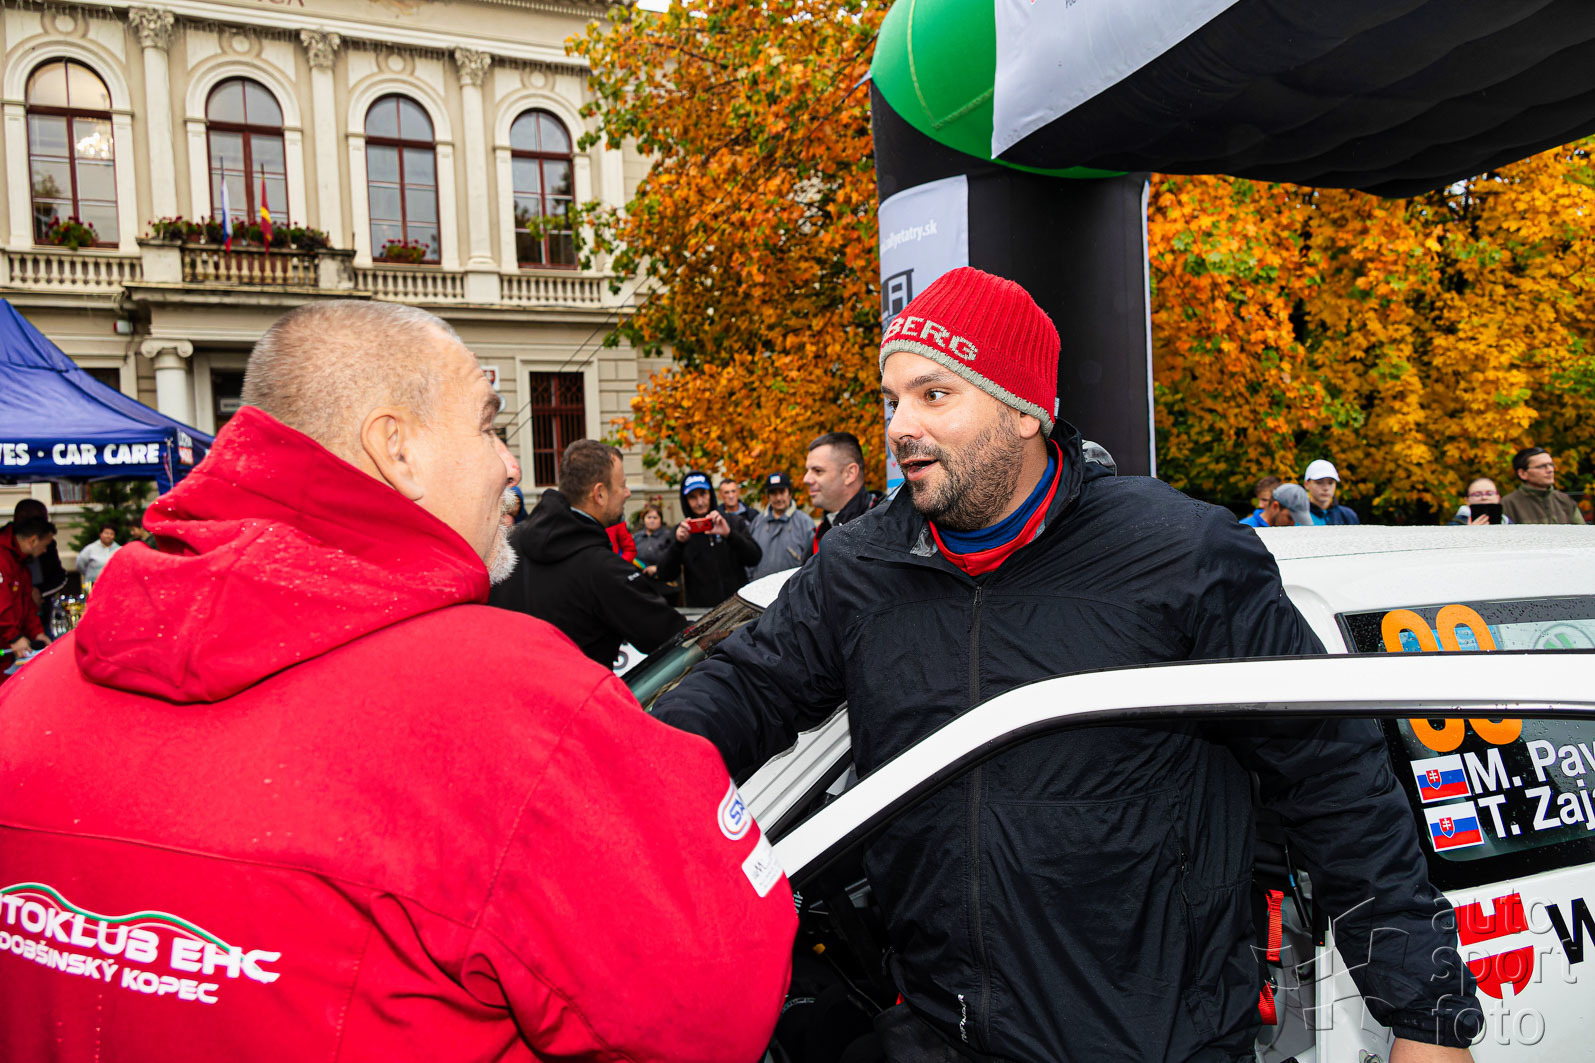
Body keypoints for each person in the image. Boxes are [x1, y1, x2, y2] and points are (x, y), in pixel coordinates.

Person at [653, 267, 1479, 1063]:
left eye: (934, 394)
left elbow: (1331, 770)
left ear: (1024, 413)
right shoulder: (861, 565)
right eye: (891, 398)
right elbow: (748, 687)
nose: (900, 425)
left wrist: (1425, 1013)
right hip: (940, 1026)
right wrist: (615, 769)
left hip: (1152, 1039)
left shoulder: (1180, 554)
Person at [0, 300, 795, 1062]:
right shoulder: (513, 705)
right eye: (488, 425)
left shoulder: (30, 694)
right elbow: (717, 1008)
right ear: (397, 449)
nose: (509, 464)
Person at [490, 439, 688, 667]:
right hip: (578, 688)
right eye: (622, 485)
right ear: (599, 494)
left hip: (505, 684)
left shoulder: (505, 544)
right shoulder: (603, 569)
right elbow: (676, 639)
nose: (627, 493)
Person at [656, 470, 761, 606]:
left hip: (736, 609)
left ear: (711, 494)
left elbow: (754, 558)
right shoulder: (681, 532)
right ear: (685, 501)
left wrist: (730, 535)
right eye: (692, 497)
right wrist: (678, 544)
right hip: (702, 612)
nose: (699, 502)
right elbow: (664, 574)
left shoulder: (732, 522)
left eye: (703, 494)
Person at [804, 431, 881, 551]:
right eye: (808, 471)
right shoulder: (817, 537)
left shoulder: (886, 529)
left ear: (850, 474)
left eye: (818, 471)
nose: (806, 479)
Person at [746, 471, 817, 582]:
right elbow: (748, 558)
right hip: (759, 589)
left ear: (790, 493)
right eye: (773, 493)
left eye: (782, 492)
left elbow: (813, 563)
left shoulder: (805, 523)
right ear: (768, 496)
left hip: (791, 590)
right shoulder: (757, 522)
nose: (778, 498)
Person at [1, 516, 53, 658]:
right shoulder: (3, 559)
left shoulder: (21, 562)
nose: (45, 551)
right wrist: (14, 637)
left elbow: (27, 603)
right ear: (33, 540)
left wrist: (37, 633)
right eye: (45, 545)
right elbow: (1, 603)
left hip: (11, 646)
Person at [1502, 446, 1584, 524]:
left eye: (1551, 465)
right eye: (1542, 466)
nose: (1550, 470)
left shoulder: (1565, 501)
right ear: (1523, 473)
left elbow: (1581, 532)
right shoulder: (1508, 504)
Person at [1302, 458, 1360, 524]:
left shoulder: (1347, 516)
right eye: (1319, 482)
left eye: (1330, 483)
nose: (1326, 488)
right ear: (1306, 484)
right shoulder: (1294, 517)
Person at [633, 501, 675, 576]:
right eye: (649, 517)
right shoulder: (637, 536)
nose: (652, 521)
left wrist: (657, 568)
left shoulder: (668, 536)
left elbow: (673, 558)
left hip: (662, 576)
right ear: (644, 519)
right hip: (640, 576)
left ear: (660, 519)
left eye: (655, 518)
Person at [1448, 477, 1513, 526]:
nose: (1484, 497)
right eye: (1477, 495)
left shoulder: (1508, 523)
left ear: (1498, 498)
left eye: (1489, 494)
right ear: (1467, 500)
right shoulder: (1455, 526)